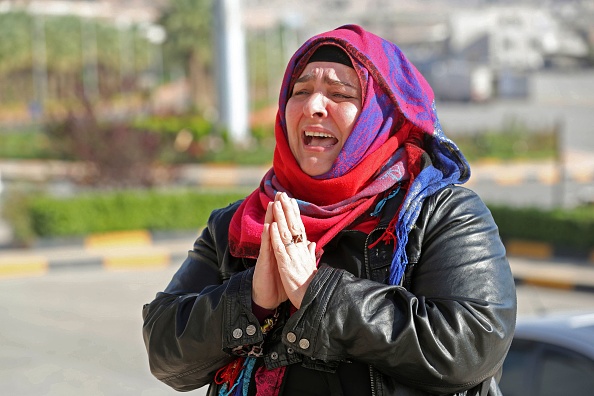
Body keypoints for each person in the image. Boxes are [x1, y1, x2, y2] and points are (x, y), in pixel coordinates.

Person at [142, 24, 516, 396]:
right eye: (300, 91)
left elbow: (471, 345)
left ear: (381, 114)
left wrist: (320, 295)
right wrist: (250, 303)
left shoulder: (441, 215)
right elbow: (163, 350)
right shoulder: (240, 225)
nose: (313, 106)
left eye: (339, 93)